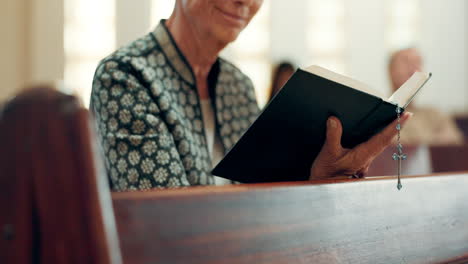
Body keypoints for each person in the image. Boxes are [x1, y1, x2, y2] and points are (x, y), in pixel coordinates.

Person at [91, 0, 411, 191]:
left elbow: (265, 198)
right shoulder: (126, 76)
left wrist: (318, 179)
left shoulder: (238, 85)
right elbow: (166, 223)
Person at [388, 48, 463, 145]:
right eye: (406, 61)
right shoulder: (378, 116)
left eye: (418, 62)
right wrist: (432, 139)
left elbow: (455, 141)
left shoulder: (435, 115)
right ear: (391, 70)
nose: (413, 69)